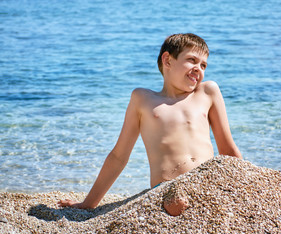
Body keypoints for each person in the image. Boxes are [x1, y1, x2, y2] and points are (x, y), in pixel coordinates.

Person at [58, 33, 242, 215]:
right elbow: (118, 157)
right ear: (167, 60)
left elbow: (227, 148)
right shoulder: (143, 99)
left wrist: (248, 184)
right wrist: (88, 203)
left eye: (203, 65)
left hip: (208, 182)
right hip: (167, 188)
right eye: (192, 60)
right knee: (175, 203)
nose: (199, 69)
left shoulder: (207, 92)